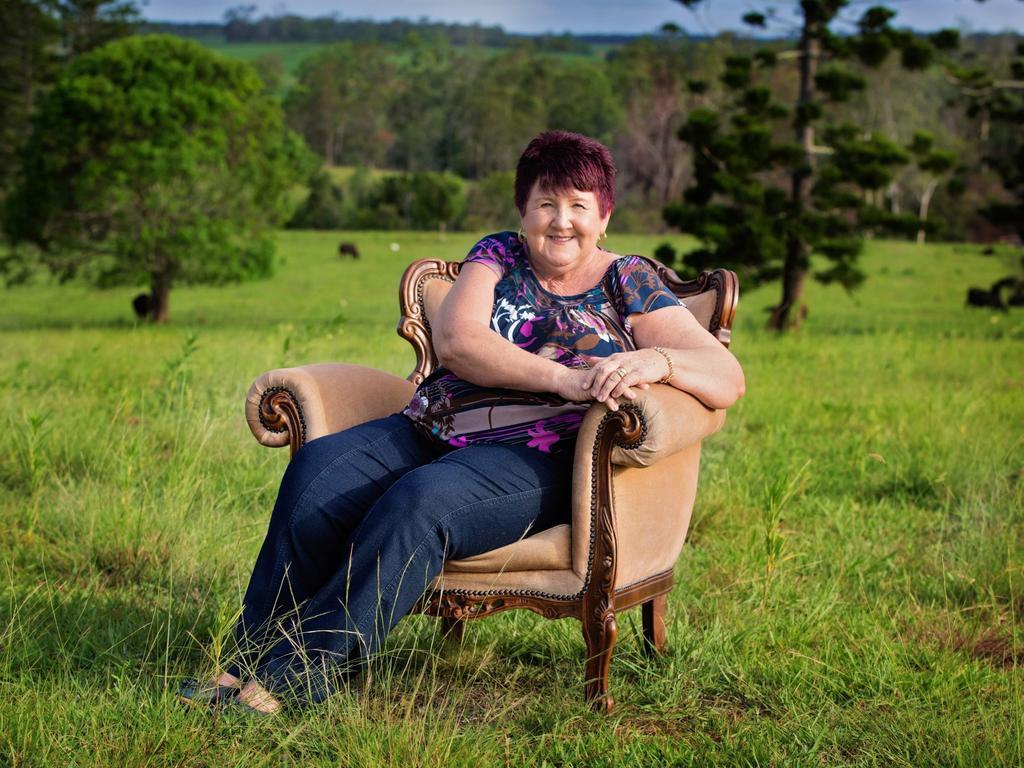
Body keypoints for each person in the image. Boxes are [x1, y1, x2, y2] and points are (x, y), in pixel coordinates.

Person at [178, 130, 745, 714]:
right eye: (546, 203)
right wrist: (566, 379)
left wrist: (657, 358)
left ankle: (298, 675)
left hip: (539, 455)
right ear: (523, 212)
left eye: (579, 205)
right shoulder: (497, 256)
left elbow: (725, 376)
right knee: (318, 473)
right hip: (431, 426)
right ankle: (244, 662)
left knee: (423, 501)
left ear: (604, 216)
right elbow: (457, 341)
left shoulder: (627, 282)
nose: (561, 221)